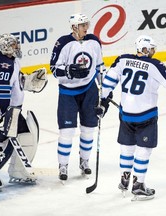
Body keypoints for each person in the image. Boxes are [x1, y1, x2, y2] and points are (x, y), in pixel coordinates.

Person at [98, 35, 166, 200]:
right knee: (143, 150)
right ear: (145, 49)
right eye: (151, 49)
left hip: (126, 115)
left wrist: (102, 102)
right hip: (146, 117)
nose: (153, 52)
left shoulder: (122, 60)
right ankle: (138, 185)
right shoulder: (154, 65)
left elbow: (108, 82)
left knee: (126, 148)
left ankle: (124, 179)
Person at [50, 13, 106, 182]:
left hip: (89, 90)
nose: (86, 28)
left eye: (86, 24)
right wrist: (69, 71)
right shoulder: (63, 43)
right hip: (68, 93)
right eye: (82, 25)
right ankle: (63, 165)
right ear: (74, 27)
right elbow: (53, 69)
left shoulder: (94, 41)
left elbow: (99, 66)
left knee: (89, 129)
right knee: (66, 132)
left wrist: (103, 93)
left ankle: (84, 161)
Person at [0, 33, 48, 189]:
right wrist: (3, 113)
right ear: (7, 47)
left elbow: (15, 87)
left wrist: (28, 81)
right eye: (14, 44)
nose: (17, 47)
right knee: (6, 141)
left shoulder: (14, 62)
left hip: (10, 110)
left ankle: (19, 172)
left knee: (26, 133)